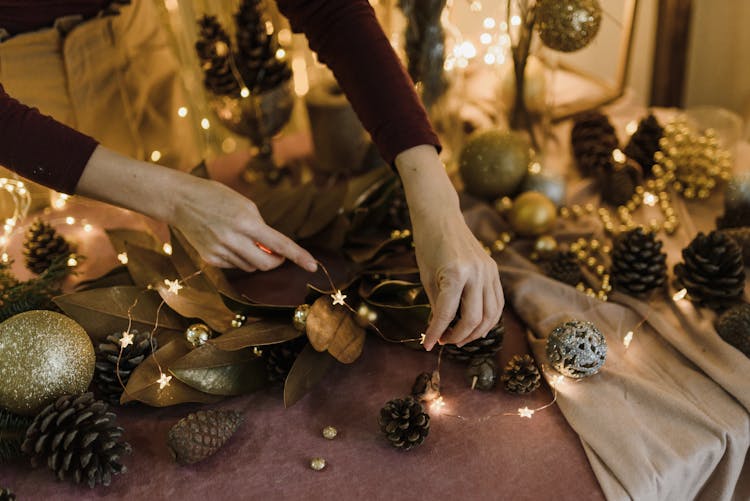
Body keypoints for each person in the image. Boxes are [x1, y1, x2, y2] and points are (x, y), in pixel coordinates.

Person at [0, 0, 503, 350]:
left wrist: (436, 200)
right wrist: (178, 198)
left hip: (136, 55)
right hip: (25, 129)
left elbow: (331, 10)